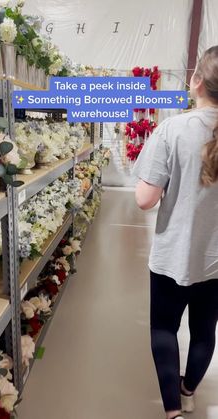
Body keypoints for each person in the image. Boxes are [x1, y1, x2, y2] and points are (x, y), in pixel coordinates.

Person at [133, 46, 218, 419]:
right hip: (215, 261)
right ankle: (188, 389)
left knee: (164, 329)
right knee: (204, 332)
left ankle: (172, 411)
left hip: (171, 256)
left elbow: (144, 200)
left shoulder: (172, 129)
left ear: (196, 81)